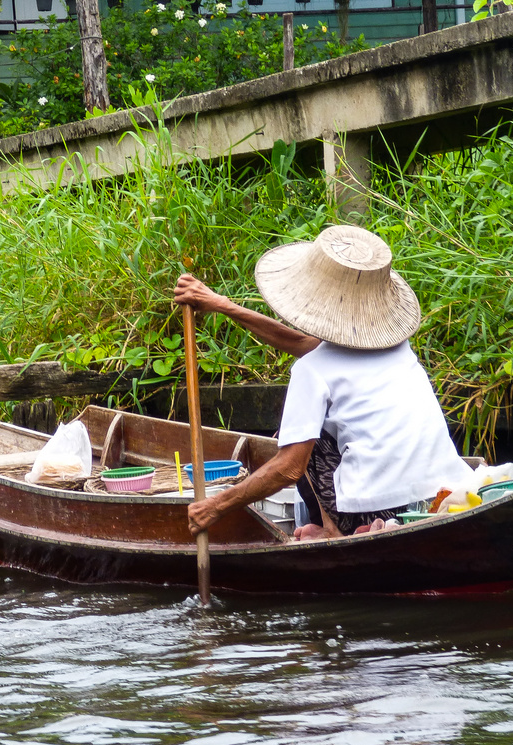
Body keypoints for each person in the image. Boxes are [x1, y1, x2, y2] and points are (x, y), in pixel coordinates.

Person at [174, 224, 471, 540]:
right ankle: (331, 525)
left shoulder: (312, 370)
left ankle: (333, 532)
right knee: (304, 431)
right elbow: (303, 342)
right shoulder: (397, 347)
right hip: (436, 496)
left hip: (373, 512)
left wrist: (216, 506)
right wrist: (222, 304)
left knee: (297, 437)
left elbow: (290, 468)